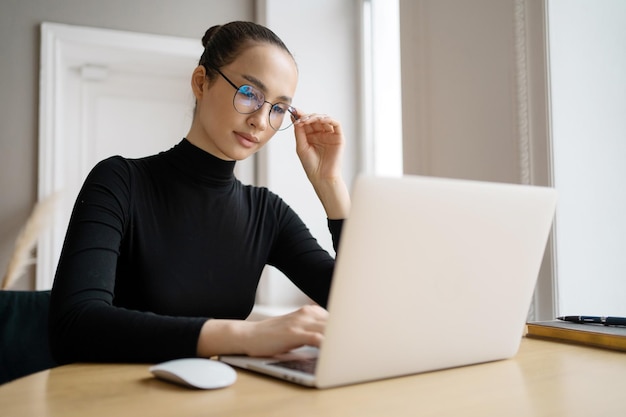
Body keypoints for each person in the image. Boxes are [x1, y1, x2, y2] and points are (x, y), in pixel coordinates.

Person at [48, 21, 351, 364]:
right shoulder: (120, 181)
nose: (261, 121)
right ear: (201, 82)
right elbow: (74, 325)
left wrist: (330, 185)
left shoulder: (268, 213)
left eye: (278, 108)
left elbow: (357, 307)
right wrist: (247, 335)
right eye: (249, 93)